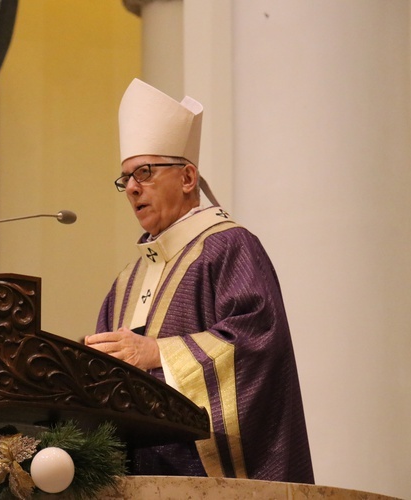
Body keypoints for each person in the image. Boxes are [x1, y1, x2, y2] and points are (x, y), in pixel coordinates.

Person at [84, 78, 314, 483]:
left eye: (146, 172)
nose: (133, 188)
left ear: (188, 178)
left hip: (207, 484)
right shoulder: (125, 282)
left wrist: (157, 354)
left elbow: (258, 345)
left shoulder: (230, 247)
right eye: (126, 179)